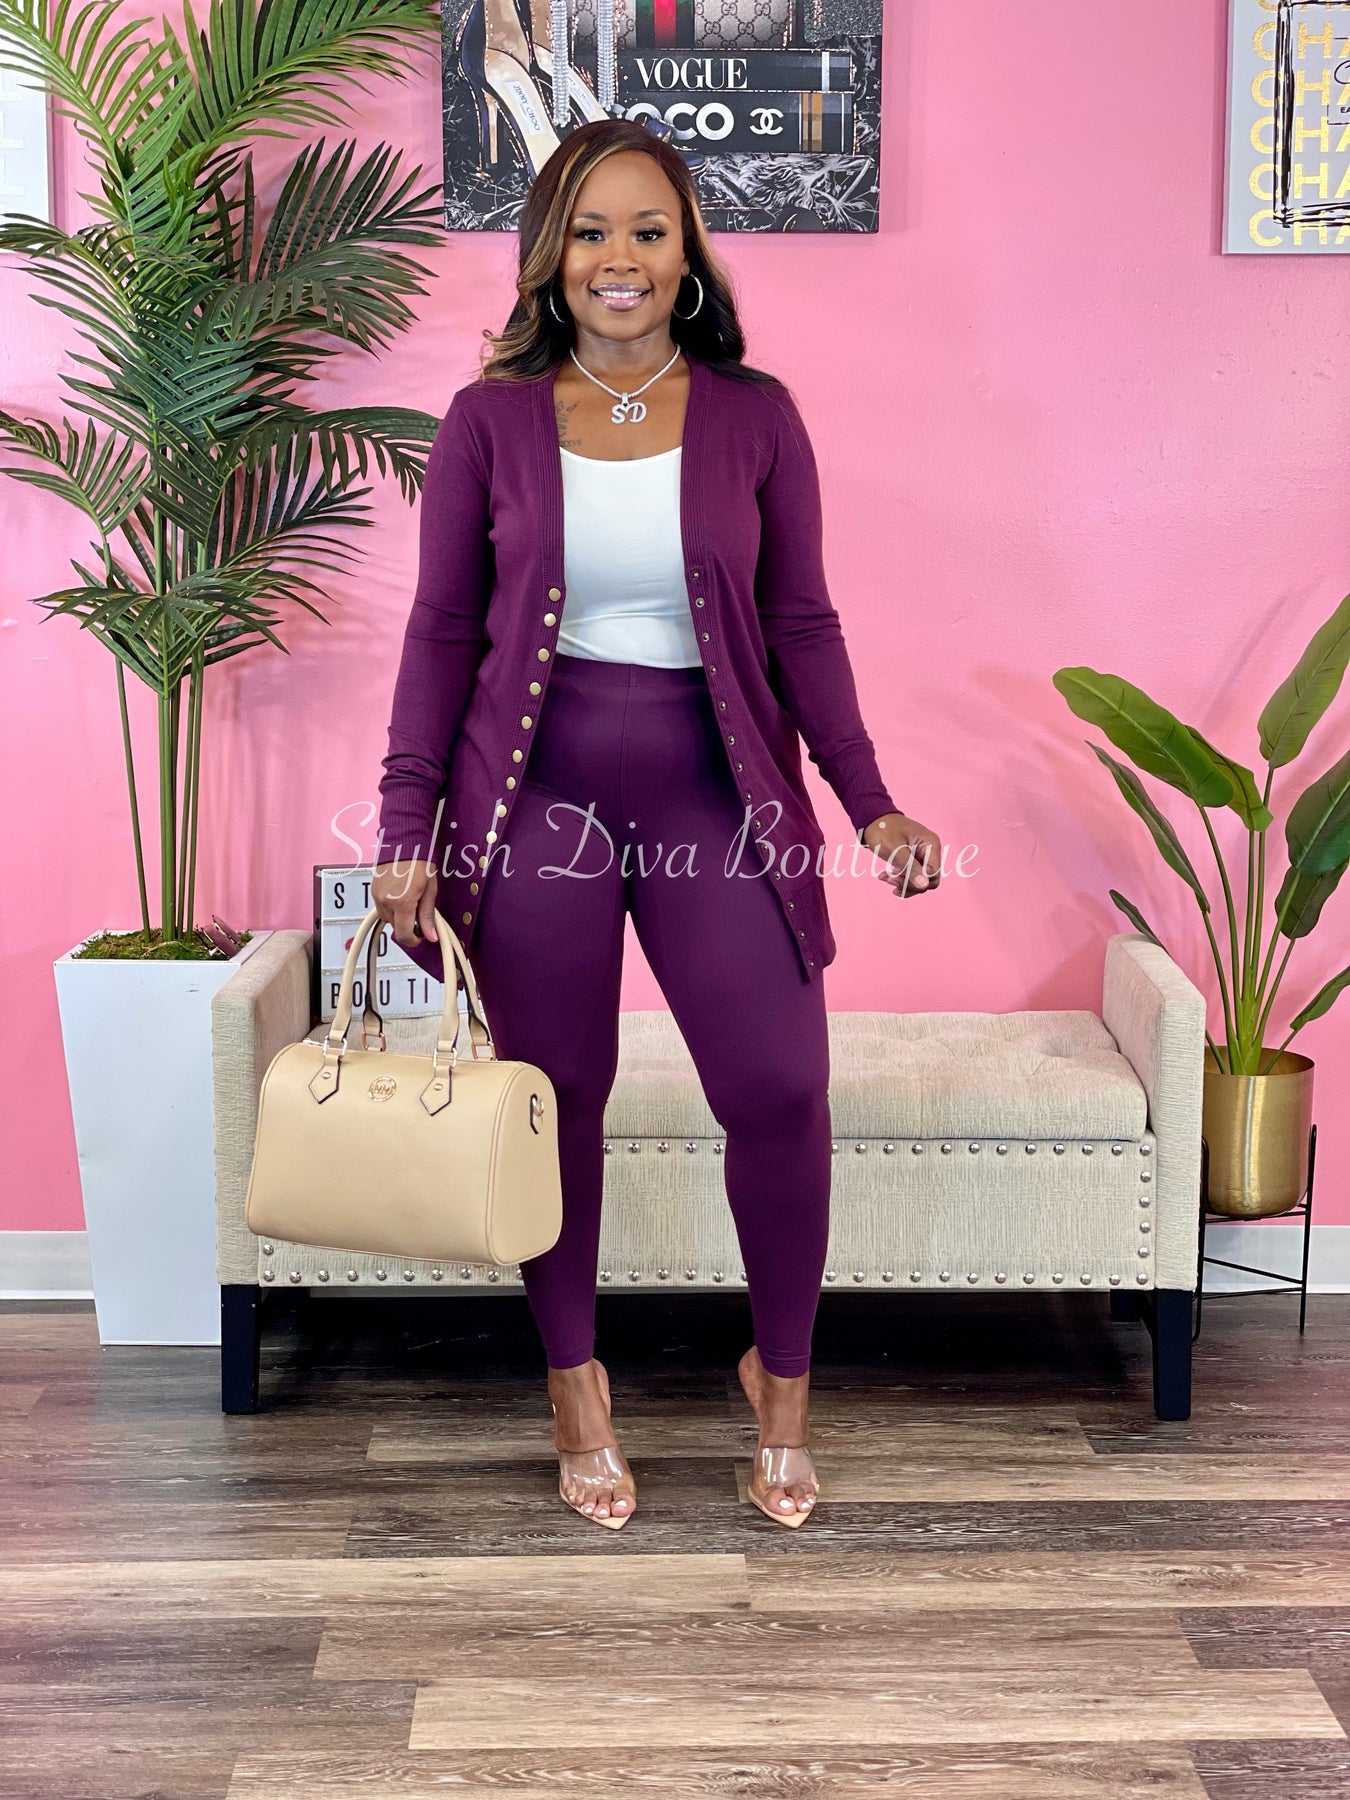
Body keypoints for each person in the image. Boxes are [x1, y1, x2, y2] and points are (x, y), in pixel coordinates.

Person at [372, 116, 943, 1530]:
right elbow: (441, 632)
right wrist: (406, 822)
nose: (617, 257)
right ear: (548, 256)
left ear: (687, 253)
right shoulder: (488, 421)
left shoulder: (756, 414)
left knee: (779, 1088)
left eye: (647, 229)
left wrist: (869, 801)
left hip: (716, 795)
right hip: (535, 800)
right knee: (555, 1099)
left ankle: (781, 1386)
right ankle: (575, 1386)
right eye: (588, 232)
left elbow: (801, 623)